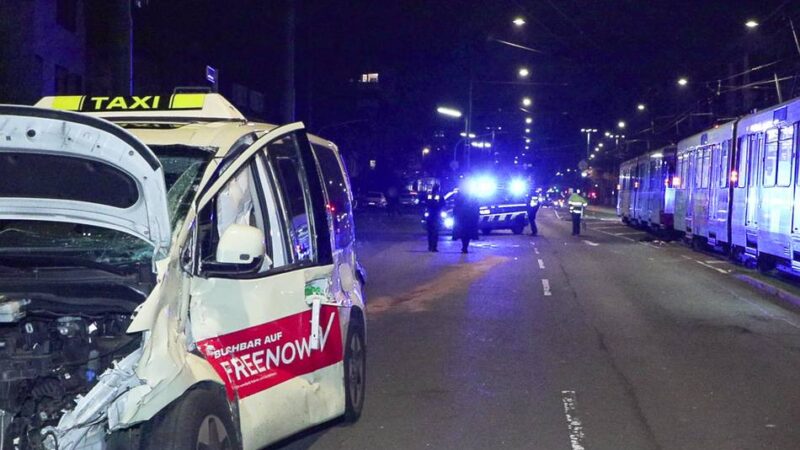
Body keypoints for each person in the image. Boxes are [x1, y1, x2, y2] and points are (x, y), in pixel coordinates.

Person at [424, 185, 444, 252]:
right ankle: (434, 247)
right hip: (436, 215)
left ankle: (430, 246)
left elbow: (426, 203)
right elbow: (443, 204)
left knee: (430, 232)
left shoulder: (429, 195)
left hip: (430, 216)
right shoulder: (439, 195)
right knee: (435, 232)